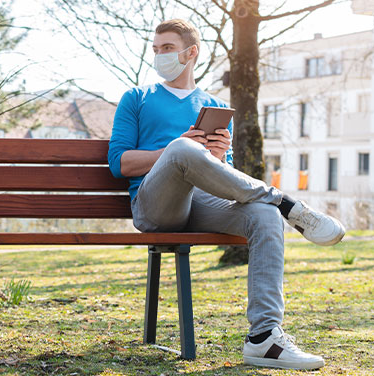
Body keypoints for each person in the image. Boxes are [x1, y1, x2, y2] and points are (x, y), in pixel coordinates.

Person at [108, 19, 344, 371]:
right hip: (155, 206)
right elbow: (120, 163)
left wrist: (217, 156)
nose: (159, 56)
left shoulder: (215, 106)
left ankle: (264, 338)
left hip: (204, 203)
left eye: (167, 49)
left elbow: (226, 179)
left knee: (262, 215)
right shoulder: (137, 98)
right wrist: (178, 151)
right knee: (181, 149)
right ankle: (284, 202)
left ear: (191, 53)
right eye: (156, 50)